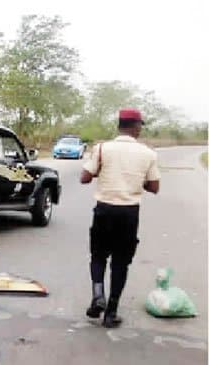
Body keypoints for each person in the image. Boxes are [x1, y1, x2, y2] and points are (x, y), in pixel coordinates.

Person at [80, 108, 161, 328]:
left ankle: (98, 295)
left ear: (119, 125)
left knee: (98, 256)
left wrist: (101, 172)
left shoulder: (102, 149)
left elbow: (84, 178)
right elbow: (154, 187)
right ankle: (111, 313)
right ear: (136, 127)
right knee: (120, 263)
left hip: (104, 210)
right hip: (128, 214)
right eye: (140, 126)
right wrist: (137, 180)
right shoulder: (148, 154)